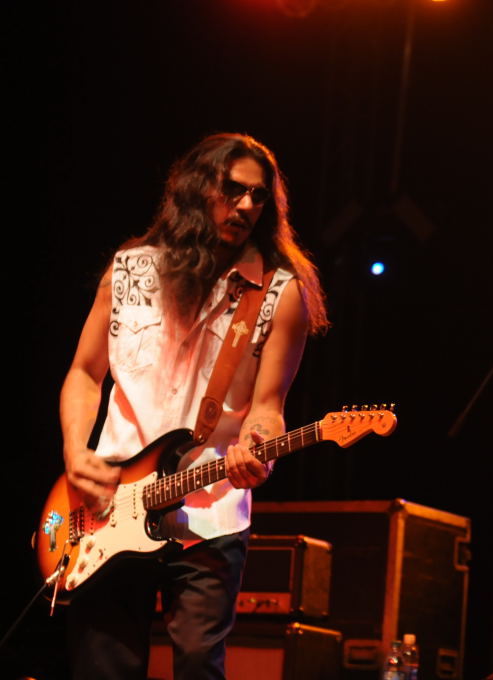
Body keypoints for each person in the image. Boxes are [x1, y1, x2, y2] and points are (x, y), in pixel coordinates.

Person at [60, 133, 328, 679]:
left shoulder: (280, 293)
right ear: (195, 187)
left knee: (199, 664)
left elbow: (267, 406)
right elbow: (85, 374)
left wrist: (258, 444)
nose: (246, 205)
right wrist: (75, 452)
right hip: (108, 508)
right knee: (102, 666)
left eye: (258, 196)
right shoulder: (129, 271)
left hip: (210, 510)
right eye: (232, 190)